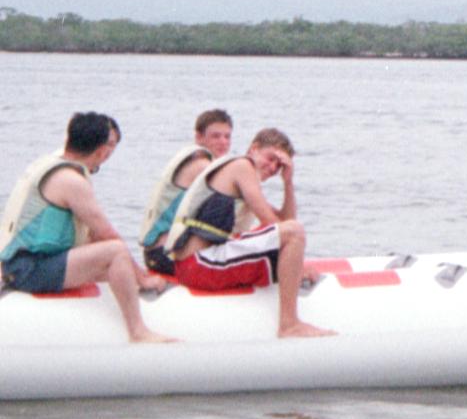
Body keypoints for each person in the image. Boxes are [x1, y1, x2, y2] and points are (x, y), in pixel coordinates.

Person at [0, 112, 176, 343]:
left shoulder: (49, 165)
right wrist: (142, 279)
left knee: (118, 268)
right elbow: (106, 235)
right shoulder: (71, 181)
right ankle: (138, 331)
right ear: (101, 151)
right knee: (116, 252)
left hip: (18, 265)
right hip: (30, 270)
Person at [160, 127, 334, 338]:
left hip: (197, 264)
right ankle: (289, 324)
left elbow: (286, 222)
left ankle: (289, 319)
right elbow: (277, 226)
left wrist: (287, 182)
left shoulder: (244, 180)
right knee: (293, 232)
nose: (273, 167)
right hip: (198, 264)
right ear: (254, 149)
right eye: (271, 158)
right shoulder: (242, 167)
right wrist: (301, 268)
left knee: (291, 232)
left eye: (279, 166)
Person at [140, 108, 233, 275]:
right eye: (216, 136)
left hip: (154, 253)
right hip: (164, 255)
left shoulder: (192, 156)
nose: (223, 142)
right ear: (199, 137)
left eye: (227, 136)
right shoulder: (201, 165)